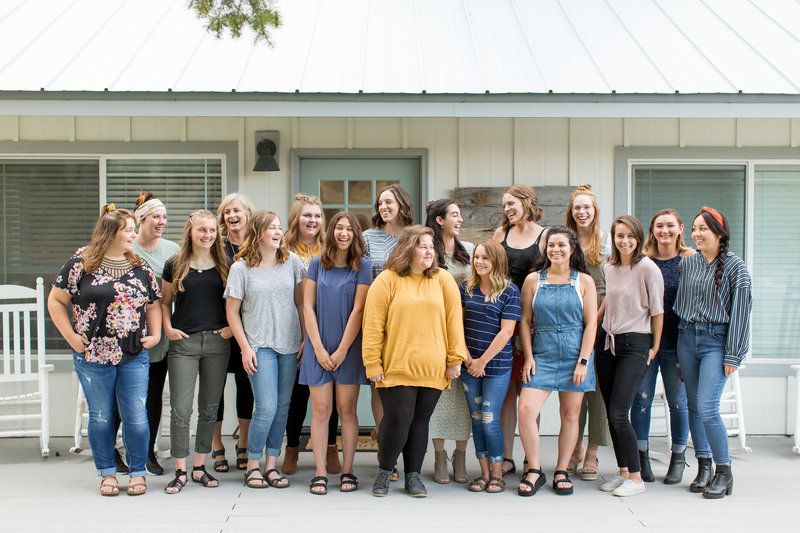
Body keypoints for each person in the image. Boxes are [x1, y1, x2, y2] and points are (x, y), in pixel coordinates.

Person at [48, 204, 161, 496]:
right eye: (129, 230)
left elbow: (154, 303)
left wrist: (157, 333)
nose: (134, 234)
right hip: (92, 354)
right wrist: (71, 336)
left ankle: (138, 472)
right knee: (100, 415)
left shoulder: (140, 266)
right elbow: (56, 301)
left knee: (136, 413)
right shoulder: (80, 264)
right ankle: (107, 473)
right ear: (110, 233)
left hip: (134, 353)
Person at [363, 225, 469, 498]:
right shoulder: (386, 280)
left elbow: (454, 323)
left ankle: (413, 477)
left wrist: (455, 359)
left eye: (431, 246)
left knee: (421, 421)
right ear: (407, 248)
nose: (428, 251)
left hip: (433, 367)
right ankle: (385, 472)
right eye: (422, 245)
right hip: (395, 367)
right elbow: (373, 326)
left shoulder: (443, 280)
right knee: (397, 420)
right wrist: (372, 363)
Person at [224, 211, 306, 489]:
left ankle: (271, 465)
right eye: (272, 227)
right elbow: (232, 313)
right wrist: (245, 348)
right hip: (259, 346)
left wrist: (306, 338)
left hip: (290, 344)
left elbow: (301, 304)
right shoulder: (241, 268)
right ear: (258, 232)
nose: (278, 232)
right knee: (266, 407)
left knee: (283, 407)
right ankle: (252, 464)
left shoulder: (292, 262)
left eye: (280, 228)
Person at [674, 207, 751, 499]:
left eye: (703, 229)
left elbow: (742, 312)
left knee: (707, 407)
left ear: (719, 233)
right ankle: (703, 466)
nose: (696, 234)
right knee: (693, 406)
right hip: (686, 338)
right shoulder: (688, 264)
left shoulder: (735, 266)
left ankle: (724, 470)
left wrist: (734, 354)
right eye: (694, 229)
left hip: (716, 342)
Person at [517, 227, 597, 497]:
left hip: (576, 354)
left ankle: (562, 470)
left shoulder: (584, 281)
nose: (556, 250)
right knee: (527, 410)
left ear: (572, 249)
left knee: (571, 414)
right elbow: (525, 321)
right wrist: (528, 357)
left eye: (562, 245)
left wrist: (583, 361)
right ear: (545, 249)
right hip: (542, 354)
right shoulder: (533, 281)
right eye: (551, 245)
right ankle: (535, 470)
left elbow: (591, 324)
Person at [300, 212, 372, 494]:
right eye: (339, 228)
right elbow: (307, 307)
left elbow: (359, 309)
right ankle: (320, 472)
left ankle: (348, 470)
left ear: (356, 235)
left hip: (348, 348)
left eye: (349, 229)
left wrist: (342, 350)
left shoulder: (363, 266)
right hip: (318, 347)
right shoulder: (317, 263)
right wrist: (317, 348)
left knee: (346, 410)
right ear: (331, 232)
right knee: (320, 411)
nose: (343, 233)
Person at [161, 210, 232, 494]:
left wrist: (229, 328)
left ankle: (200, 466)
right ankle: (180, 470)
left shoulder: (227, 263)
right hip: (184, 343)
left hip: (217, 343)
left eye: (212, 230)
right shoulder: (175, 263)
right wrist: (167, 329)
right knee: (180, 409)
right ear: (191, 231)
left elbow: (239, 302)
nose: (207, 235)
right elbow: (164, 302)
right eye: (201, 230)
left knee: (210, 408)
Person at [596, 215, 664, 497]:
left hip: (636, 343)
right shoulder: (608, 267)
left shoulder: (647, 268)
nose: (624, 241)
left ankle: (636, 479)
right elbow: (607, 302)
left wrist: (654, 346)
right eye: (619, 235)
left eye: (630, 236)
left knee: (619, 413)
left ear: (638, 238)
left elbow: (658, 311)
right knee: (611, 415)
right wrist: (591, 332)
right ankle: (623, 472)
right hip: (607, 343)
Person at [631, 209, 693, 484]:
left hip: (678, 344)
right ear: (652, 230)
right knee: (641, 400)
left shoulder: (691, 260)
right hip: (646, 343)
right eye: (659, 226)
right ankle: (641, 457)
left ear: (680, 228)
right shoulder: (643, 262)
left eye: (670, 225)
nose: (664, 231)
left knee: (678, 403)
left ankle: (678, 458)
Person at [282, 194, 341, 476]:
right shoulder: (282, 247)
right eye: (307, 215)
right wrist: (304, 336)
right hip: (291, 329)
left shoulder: (329, 249)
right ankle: (291, 448)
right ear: (296, 218)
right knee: (297, 396)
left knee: (329, 395)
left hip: (325, 329)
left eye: (318, 216)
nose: (313, 221)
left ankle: (331, 448)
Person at [491, 184, 546, 476]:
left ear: (527, 202)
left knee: (529, 392)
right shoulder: (502, 235)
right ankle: (508, 457)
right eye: (504, 205)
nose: (507, 209)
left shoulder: (545, 236)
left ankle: (530, 457)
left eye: (511, 203)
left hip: (535, 325)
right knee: (506, 392)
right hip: (504, 323)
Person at [460, 240, 520, 493]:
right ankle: (483, 473)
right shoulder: (466, 288)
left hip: (496, 366)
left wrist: (482, 361)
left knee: (489, 419)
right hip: (469, 365)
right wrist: (467, 359)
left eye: (485, 258)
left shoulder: (510, 291)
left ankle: (498, 473)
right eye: (476, 257)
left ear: (497, 261)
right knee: (475, 420)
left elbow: (507, 332)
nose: (479, 262)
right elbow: (457, 326)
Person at [363, 184, 414, 480]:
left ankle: (403, 448)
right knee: (380, 387)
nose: (383, 207)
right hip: (378, 321)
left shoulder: (416, 236)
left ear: (402, 204)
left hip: (410, 324)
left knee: (406, 390)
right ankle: (386, 454)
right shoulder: (368, 238)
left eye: (389, 201)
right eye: (380, 202)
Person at [127, 191, 179, 476]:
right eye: (156, 217)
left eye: (164, 218)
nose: (161, 222)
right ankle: (120, 449)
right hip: (134, 333)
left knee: (155, 393)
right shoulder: (127, 247)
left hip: (166, 330)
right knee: (132, 393)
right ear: (141, 219)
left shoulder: (173, 250)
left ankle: (148, 452)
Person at [564, 184, 612, 481]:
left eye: (587, 208)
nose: (582, 212)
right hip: (570, 321)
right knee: (573, 387)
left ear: (595, 213)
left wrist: (594, 319)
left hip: (602, 320)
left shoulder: (606, 242)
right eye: (577, 208)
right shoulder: (563, 241)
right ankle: (575, 447)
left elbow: (612, 287)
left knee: (597, 392)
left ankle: (592, 452)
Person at [425, 199, 474, 484]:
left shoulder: (469, 250)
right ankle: (440, 456)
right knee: (439, 395)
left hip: (467, 330)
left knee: (464, 397)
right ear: (440, 220)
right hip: (436, 329)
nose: (460, 219)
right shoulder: (430, 250)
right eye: (455, 215)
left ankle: (461, 455)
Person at [212, 193, 256, 472]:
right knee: (214, 390)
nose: (231, 216)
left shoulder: (258, 245)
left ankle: (244, 443)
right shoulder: (216, 245)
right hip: (215, 327)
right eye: (227, 212)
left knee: (246, 387)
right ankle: (216, 445)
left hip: (247, 330)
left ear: (248, 213)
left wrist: (236, 326)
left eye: (236, 210)